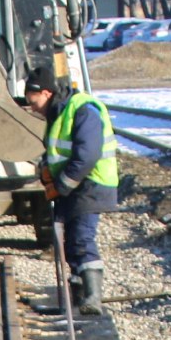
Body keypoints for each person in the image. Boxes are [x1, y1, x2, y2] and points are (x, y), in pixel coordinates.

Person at [21, 64, 116, 315]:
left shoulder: (83, 110)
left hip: (91, 184)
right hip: (76, 187)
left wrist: (61, 185)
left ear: (46, 93)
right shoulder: (59, 113)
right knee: (70, 242)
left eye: (33, 102)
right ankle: (78, 298)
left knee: (82, 239)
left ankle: (93, 298)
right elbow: (58, 152)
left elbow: (87, 155)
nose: (33, 109)